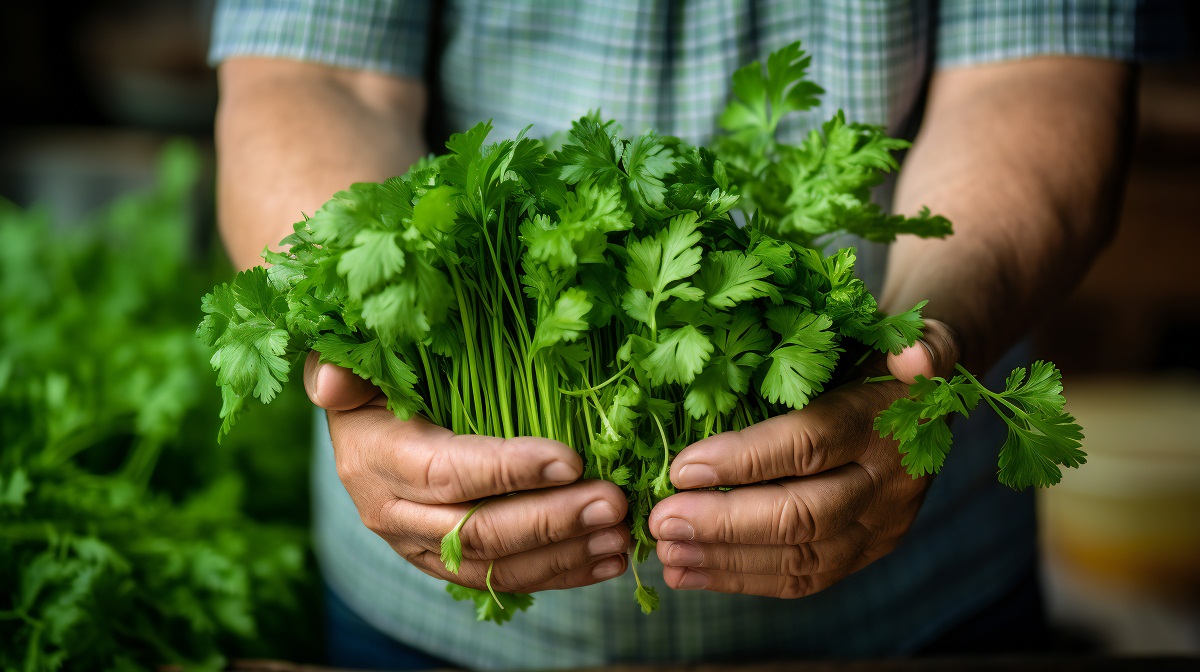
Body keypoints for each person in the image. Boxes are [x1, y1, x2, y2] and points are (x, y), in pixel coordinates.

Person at [208, 2, 1181, 669]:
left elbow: (1037, 71)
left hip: (918, 605)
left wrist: (927, 341)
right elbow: (312, 69)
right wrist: (369, 365)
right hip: (434, 621)